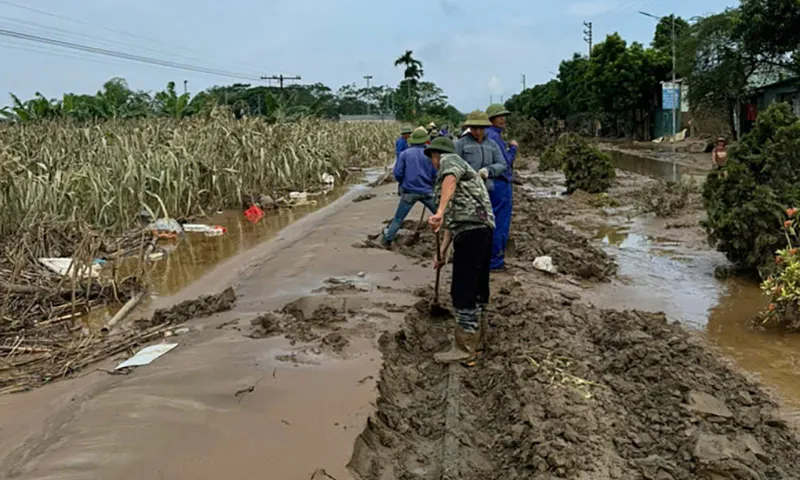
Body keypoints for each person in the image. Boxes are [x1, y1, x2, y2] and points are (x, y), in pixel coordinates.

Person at [426, 136, 495, 360]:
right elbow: (452, 224)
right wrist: (442, 252)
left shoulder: (449, 160)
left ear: (435, 155)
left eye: (432, 159)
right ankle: (479, 340)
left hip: (472, 231)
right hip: (480, 230)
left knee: (463, 290)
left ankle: (464, 348)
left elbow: (450, 181)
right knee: (477, 287)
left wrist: (439, 211)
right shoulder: (462, 173)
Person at [375, 128, 437, 248]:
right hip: (427, 191)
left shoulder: (405, 154)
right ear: (425, 141)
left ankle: (387, 239)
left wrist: (403, 182)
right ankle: (451, 237)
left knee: (398, 218)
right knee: (440, 214)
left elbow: (397, 172)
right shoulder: (430, 154)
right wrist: (431, 183)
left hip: (409, 191)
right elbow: (435, 172)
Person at [485, 104, 519, 271]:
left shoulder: (485, 135)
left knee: (489, 220)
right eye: (500, 116)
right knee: (501, 222)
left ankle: (487, 257)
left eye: (504, 116)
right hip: (500, 183)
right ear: (491, 119)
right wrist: (513, 148)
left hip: (488, 182)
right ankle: (496, 262)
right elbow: (505, 163)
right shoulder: (495, 137)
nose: (503, 119)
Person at [455, 110, 507, 194]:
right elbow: (453, 165)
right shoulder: (461, 144)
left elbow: (502, 164)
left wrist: (488, 170)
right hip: (466, 189)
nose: (478, 132)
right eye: (474, 128)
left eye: (481, 128)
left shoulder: (492, 144)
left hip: (486, 188)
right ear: (469, 127)